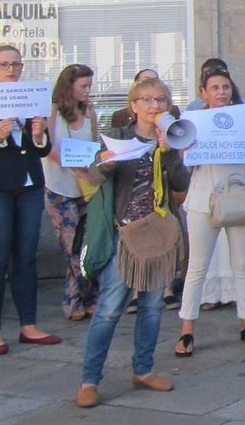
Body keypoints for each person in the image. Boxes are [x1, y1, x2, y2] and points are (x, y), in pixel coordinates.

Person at [76, 77, 188, 407]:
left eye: (161, 100)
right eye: (148, 100)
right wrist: (107, 162)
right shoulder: (117, 137)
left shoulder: (170, 138)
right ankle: (89, 379)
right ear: (134, 105)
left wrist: (169, 154)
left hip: (157, 235)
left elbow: (181, 185)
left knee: (153, 307)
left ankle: (143, 369)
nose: (155, 106)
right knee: (110, 310)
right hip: (123, 235)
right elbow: (92, 178)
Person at [172, 65, 245, 357]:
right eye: (214, 88)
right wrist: (184, 147)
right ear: (203, 93)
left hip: (238, 196)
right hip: (203, 199)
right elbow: (186, 165)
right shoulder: (194, 122)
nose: (221, 92)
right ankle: (186, 330)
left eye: (225, 87)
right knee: (197, 267)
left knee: (242, 264)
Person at [0, 45, 61, 356]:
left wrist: (38, 136)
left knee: (26, 254)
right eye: (4, 64)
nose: (11, 69)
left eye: (16, 64)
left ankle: (28, 325)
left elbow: (41, 148)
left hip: (30, 184)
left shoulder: (31, 96)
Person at [43, 63, 100, 322]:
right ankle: (76, 298)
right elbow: (47, 147)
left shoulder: (89, 111)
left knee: (87, 244)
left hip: (86, 186)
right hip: (59, 186)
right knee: (71, 245)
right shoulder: (52, 111)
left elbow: (96, 142)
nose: (88, 91)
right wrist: (73, 166)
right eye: (83, 86)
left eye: (90, 86)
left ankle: (81, 298)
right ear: (69, 86)